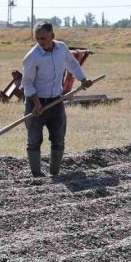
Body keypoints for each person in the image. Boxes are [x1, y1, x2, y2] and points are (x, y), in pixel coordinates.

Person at [21, 21, 93, 177]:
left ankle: (55, 173)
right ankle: (37, 176)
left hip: (57, 102)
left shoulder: (62, 48)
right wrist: (37, 103)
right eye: (38, 39)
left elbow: (72, 65)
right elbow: (27, 83)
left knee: (58, 138)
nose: (41, 42)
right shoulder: (32, 56)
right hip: (35, 104)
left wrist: (83, 79)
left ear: (52, 36)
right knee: (34, 140)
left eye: (44, 38)